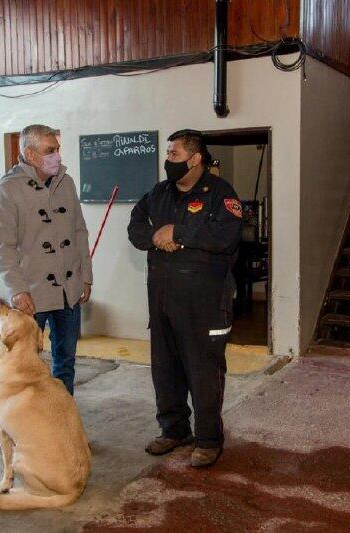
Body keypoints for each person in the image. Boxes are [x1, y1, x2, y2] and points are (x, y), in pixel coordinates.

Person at [128, 129, 242, 468]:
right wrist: (155, 236)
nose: (168, 161)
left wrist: (179, 233)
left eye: (174, 155)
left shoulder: (220, 193)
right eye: (168, 154)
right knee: (166, 370)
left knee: (203, 371)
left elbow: (226, 235)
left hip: (204, 304)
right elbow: (135, 226)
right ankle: (174, 430)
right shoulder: (158, 193)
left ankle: (208, 439)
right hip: (162, 299)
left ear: (195, 159)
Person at [0, 124, 92, 395]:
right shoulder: (8, 190)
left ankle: (62, 418)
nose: (57, 156)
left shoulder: (65, 182)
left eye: (57, 149)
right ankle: (30, 420)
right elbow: (3, 246)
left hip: (68, 292)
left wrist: (86, 277)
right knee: (26, 365)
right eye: (50, 150)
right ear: (30, 154)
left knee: (65, 363)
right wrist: (17, 290)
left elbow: (79, 232)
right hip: (32, 296)